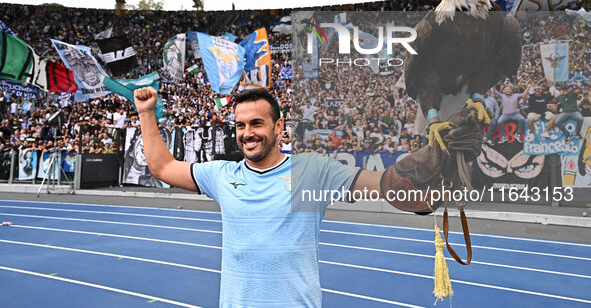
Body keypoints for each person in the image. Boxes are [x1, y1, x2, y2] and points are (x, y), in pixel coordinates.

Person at [134, 86, 480, 307]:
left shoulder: (313, 170)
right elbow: (163, 166)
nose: (247, 133)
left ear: (279, 127)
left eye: (256, 123)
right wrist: (147, 113)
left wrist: (436, 163)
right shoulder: (222, 175)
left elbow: (386, 185)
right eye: (240, 126)